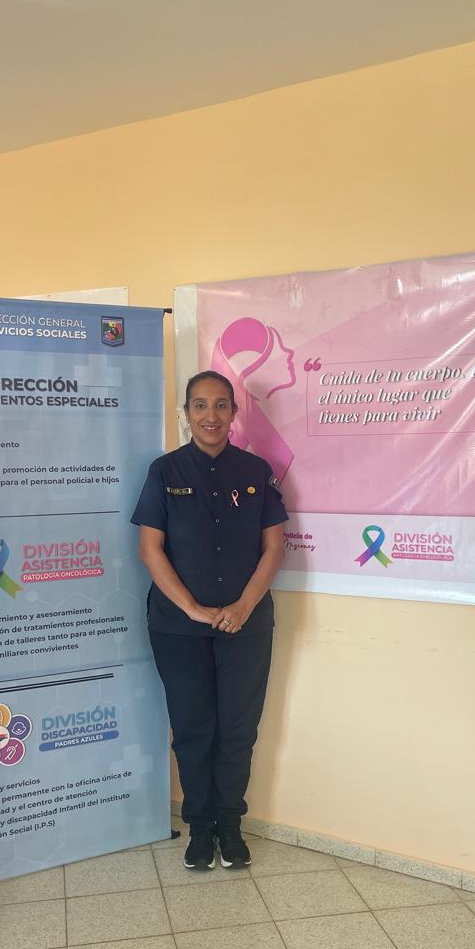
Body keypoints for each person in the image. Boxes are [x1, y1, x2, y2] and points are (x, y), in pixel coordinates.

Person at [132, 370, 287, 870]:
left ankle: (230, 825)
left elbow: (274, 546)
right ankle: (201, 828)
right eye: (200, 405)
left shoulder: (256, 470)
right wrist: (194, 609)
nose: (211, 416)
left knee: (238, 729)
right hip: (178, 627)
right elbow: (151, 550)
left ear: (234, 413)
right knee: (193, 728)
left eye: (221, 405)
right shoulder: (165, 471)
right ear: (187, 413)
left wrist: (243, 606)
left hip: (247, 625)